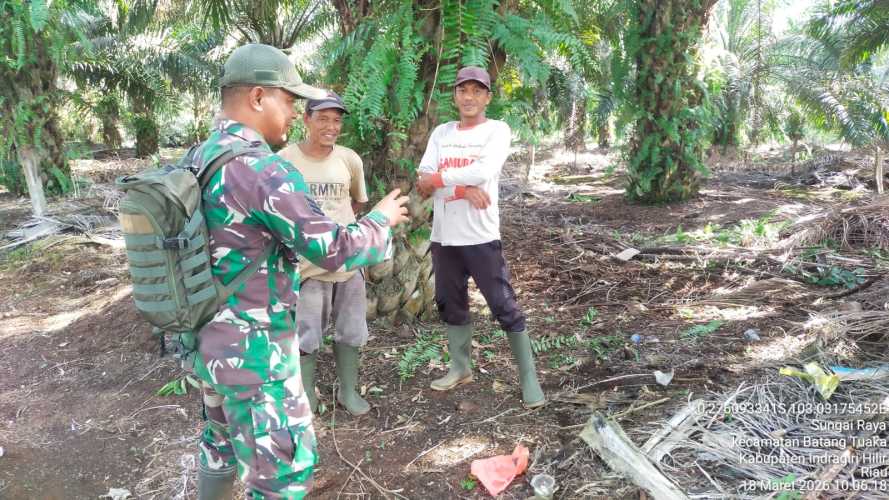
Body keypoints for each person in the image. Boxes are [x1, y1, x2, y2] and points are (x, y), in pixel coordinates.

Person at [190, 44, 409, 499]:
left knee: (219, 446)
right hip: (256, 353)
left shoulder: (202, 156)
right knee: (283, 476)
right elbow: (331, 249)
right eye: (288, 100)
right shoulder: (261, 170)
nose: (292, 112)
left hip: (209, 340)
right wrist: (381, 220)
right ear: (256, 98)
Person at [416, 66, 545, 409]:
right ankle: (460, 367)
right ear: (455, 95)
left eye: (477, 91)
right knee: (449, 301)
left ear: (488, 97)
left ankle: (529, 377)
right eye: (463, 90)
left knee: (503, 305)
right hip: (444, 237)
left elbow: (482, 171)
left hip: (480, 236)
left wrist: (442, 182)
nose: (469, 97)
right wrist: (460, 188)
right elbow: (423, 181)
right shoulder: (441, 133)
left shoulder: (497, 131)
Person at [278, 92, 372, 416]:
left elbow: (356, 203)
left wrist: (340, 234)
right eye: (322, 118)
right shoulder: (286, 159)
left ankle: (348, 392)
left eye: (336, 120)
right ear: (306, 119)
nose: (331, 126)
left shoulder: (349, 159)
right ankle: (307, 395)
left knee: (351, 328)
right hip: (307, 267)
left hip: (348, 263)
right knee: (307, 333)